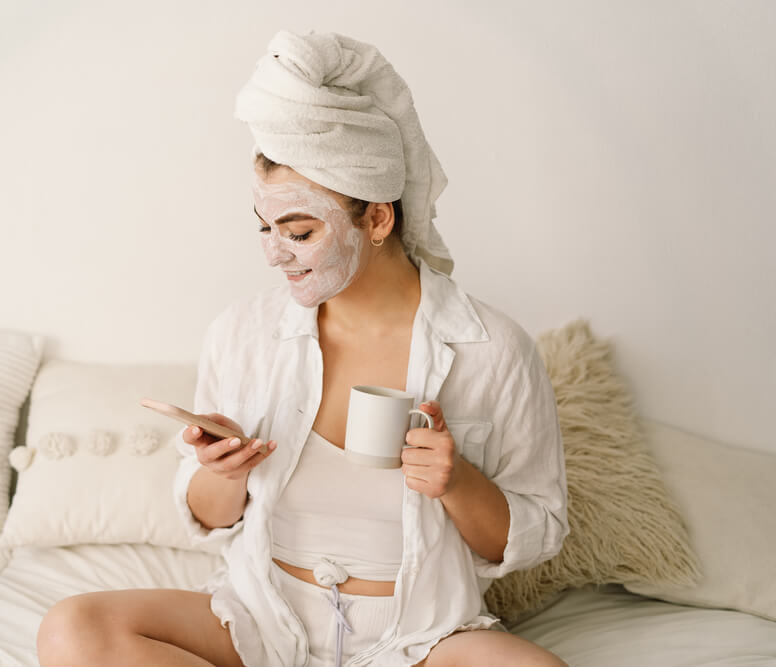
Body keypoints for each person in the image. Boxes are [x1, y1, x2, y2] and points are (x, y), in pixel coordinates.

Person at [37, 29, 569, 667]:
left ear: (376, 219)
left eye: (299, 230)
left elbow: (531, 537)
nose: (273, 253)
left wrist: (456, 482)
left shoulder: (492, 347)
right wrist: (222, 472)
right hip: (261, 622)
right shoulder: (245, 333)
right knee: (75, 628)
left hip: (421, 639)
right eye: (264, 228)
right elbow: (209, 518)